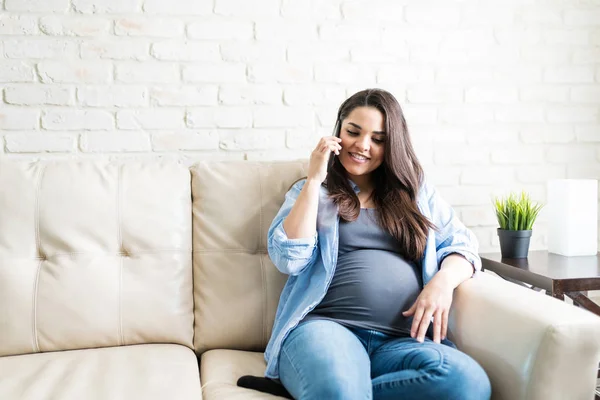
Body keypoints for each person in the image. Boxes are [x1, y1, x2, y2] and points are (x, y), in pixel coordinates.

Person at [243, 89, 492, 400]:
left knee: (468, 384)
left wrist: (442, 282)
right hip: (328, 329)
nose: (362, 145)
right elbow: (289, 259)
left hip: (402, 342)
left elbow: (462, 244)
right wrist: (313, 180)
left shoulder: (416, 193)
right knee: (337, 389)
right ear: (338, 131)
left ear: (392, 145)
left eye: (378, 138)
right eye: (353, 132)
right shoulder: (313, 192)